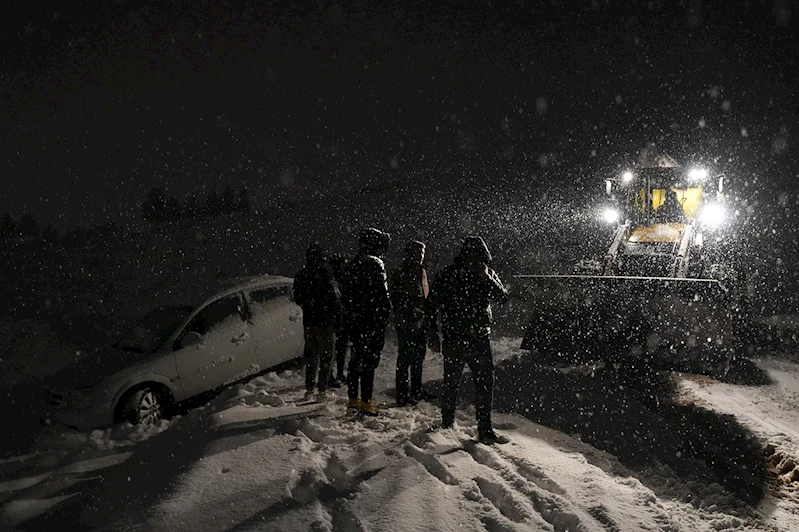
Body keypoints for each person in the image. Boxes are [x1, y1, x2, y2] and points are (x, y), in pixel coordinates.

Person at [425, 235, 510, 444]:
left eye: (480, 258)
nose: (476, 262)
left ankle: (485, 428)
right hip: (455, 337)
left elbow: (502, 298)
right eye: (473, 257)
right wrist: (433, 335)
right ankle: (447, 423)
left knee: (485, 384)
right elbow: (431, 305)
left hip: (480, 337)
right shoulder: (449, 274)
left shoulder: (486, 274)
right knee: (451, 383)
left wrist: (486, 277)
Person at [342, 227, 392, 415]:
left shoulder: (352, 264)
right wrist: (384, 316)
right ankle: (366, 401)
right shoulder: (375, 264)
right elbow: (382, 296)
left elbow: (345, 294)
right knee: (369, 363)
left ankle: (353, 399)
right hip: (372, 321)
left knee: (356, 361)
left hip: (356, 322)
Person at [292, 242, 343, 401]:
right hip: (326, 322)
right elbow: (335, 299)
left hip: (310, 321)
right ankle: (322, 390)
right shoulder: (326, 274)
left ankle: (309, 389)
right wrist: (338, 321)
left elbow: (298, 298)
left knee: (311, 357)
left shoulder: (302, 275)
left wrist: (310, 306)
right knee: (326, 357)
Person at [389, 240, 430, 406]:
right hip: (407, 322)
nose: (420, 256)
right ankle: (402, 393)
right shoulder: (401, 272)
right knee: (406, 358)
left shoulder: (421, 271)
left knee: (418, 357)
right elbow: (397, 298)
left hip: (420, 321)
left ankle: (416, 390)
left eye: (421, 253)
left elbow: (424, 296)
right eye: (416, 252)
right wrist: (408, 314)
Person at [328, 253, 350, 388]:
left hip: (341, 319)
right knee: (334, 349)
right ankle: (331, 375)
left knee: (340, 349)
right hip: (337, 319)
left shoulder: (340, 279)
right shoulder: (333, 280)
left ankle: (338, 373)